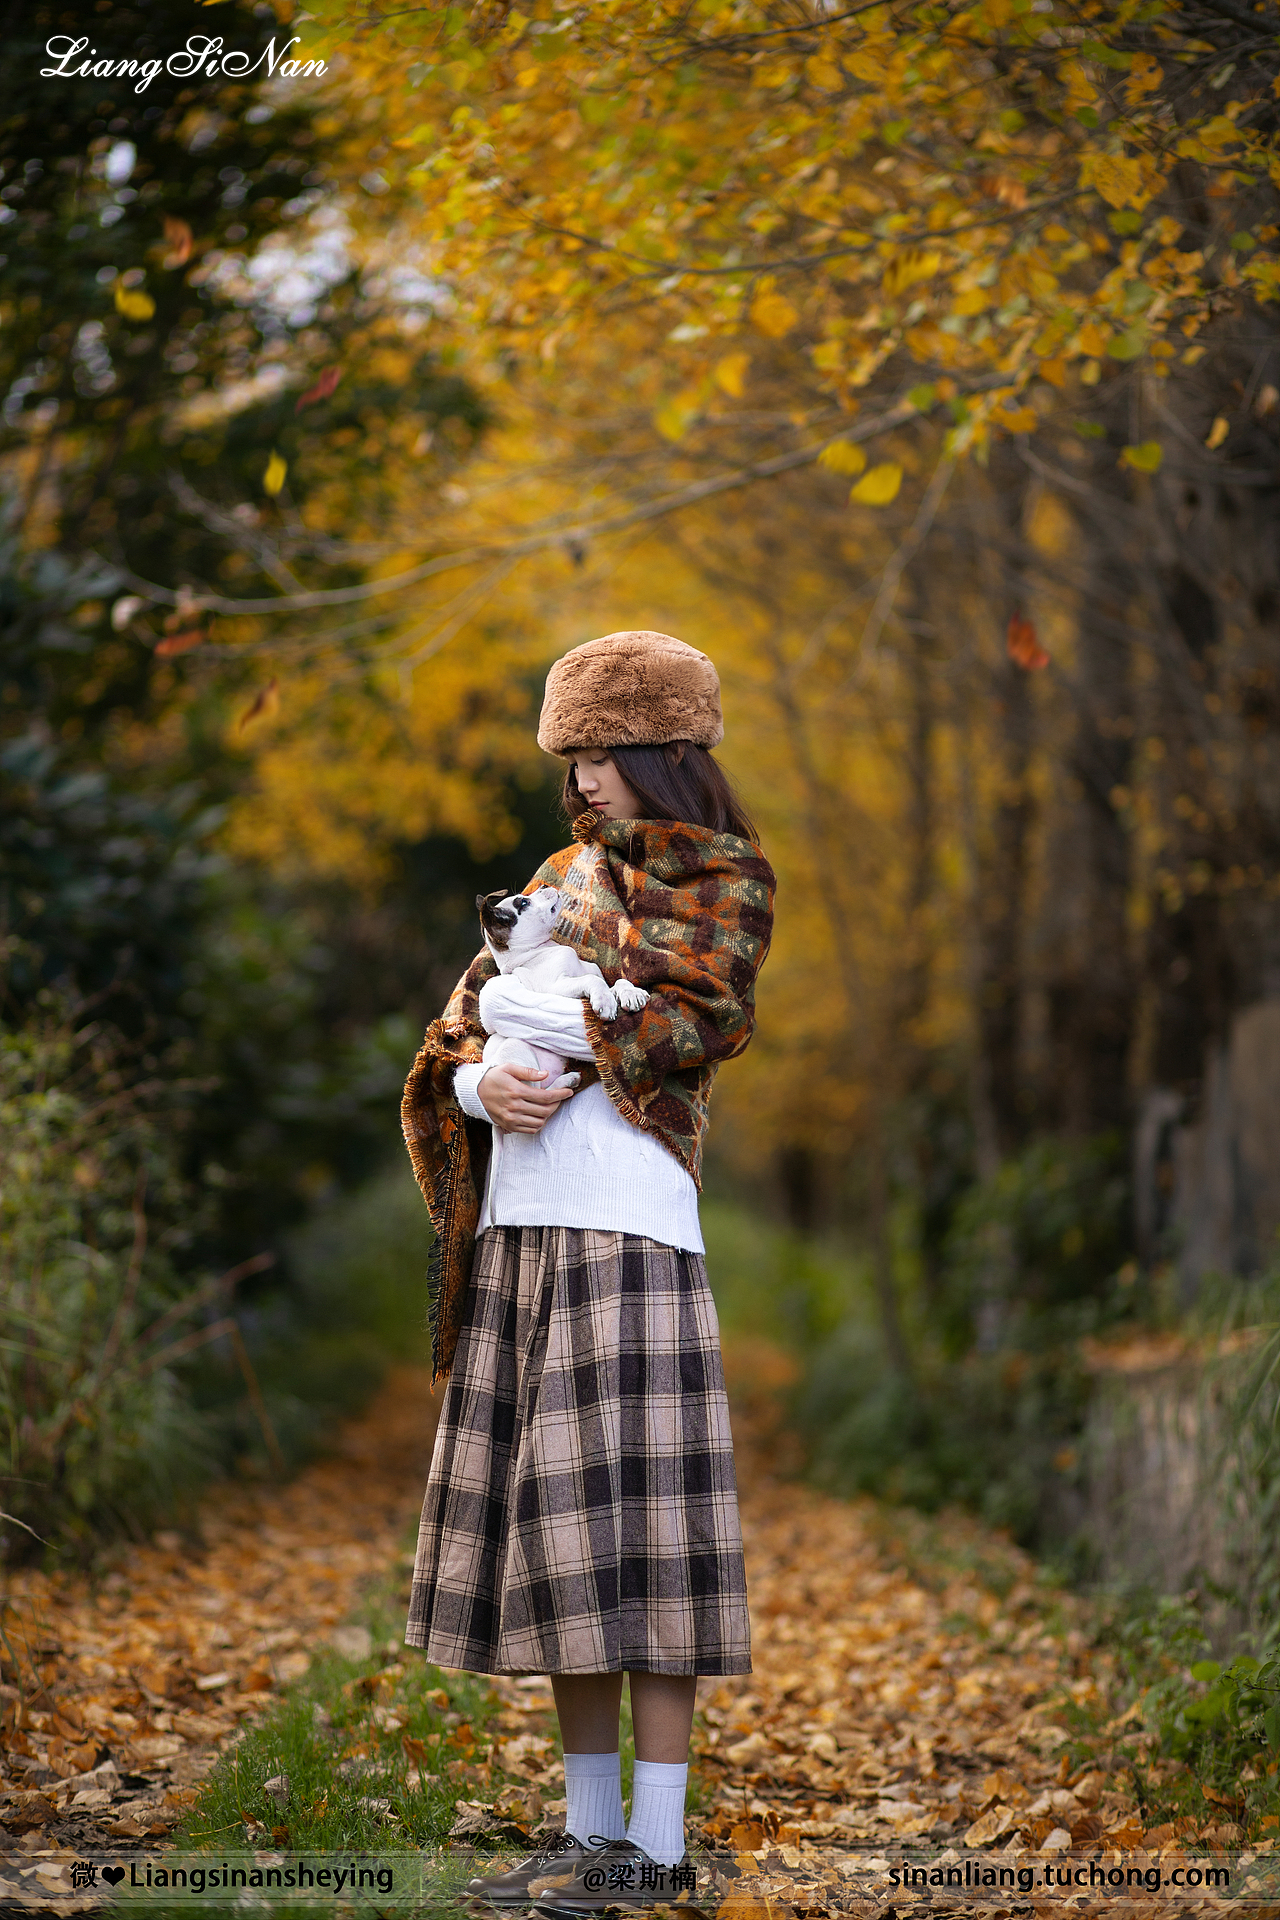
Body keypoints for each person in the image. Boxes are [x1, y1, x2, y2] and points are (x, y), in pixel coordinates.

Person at [400, 630, 775, 1913]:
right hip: (524, 1237)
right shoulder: (553, 876)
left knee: (645, 1551)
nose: (581, 781)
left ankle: (662, 1853)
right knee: (561, 1549)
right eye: (569, 758)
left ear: (663, 750)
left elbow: (698, 1018)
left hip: (632, 1236)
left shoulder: (721, 877)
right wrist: (472, 1077)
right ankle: (590, 1835)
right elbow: (457, 1022)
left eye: (602, 754)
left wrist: (554, 1010)